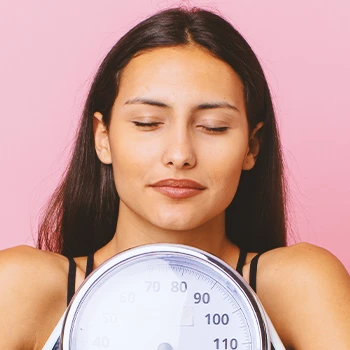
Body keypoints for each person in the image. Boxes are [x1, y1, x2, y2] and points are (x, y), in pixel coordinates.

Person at [0, 6, 349, 350]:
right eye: (148, 123)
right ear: (102, 138)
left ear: (251, 146)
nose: (180, 154)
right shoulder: (21, 287)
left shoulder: (300, 287)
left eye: (214, 127)